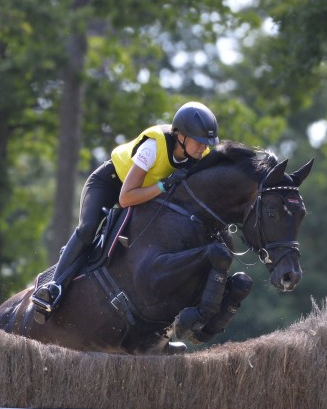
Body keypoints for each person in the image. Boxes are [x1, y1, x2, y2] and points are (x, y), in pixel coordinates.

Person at [31, 102, 219, 321]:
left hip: (145, 196)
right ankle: (54, 287)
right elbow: (126, 197)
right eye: (199, 142)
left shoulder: (199, 155)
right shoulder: (154, 146)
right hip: (110, 183)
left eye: (206, 143)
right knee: (88, 229)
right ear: (181, 137)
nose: (203, 148)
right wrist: (164, 185)